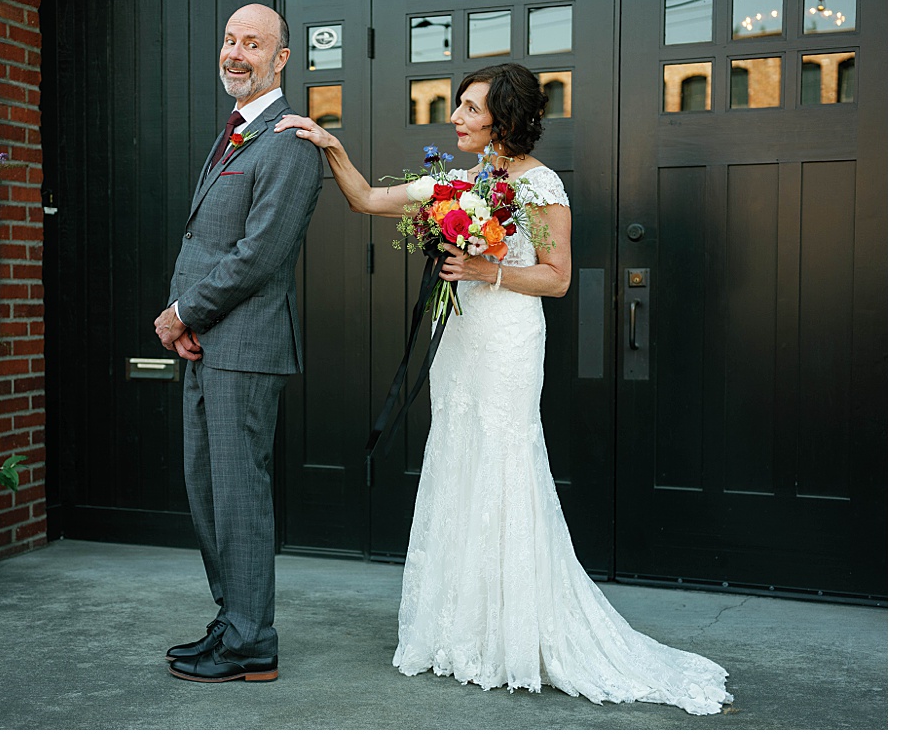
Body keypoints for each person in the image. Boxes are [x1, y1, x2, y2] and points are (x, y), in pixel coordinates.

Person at [274, 62, 733, 715]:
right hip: (459, 343)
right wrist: (334, 149)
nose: (455, 118)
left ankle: (514, 634)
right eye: (457, 107)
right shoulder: (461, 180)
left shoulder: (540, 186)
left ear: (504, 117)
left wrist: (485, 267)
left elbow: (557, 278)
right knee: (460, 460)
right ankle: (461, 630)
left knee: (503, 463)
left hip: (508, 340)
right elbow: (367, 201)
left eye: (468, 108)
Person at [153, 3, 324, 685]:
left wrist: (181, 312)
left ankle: (252, 642)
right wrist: (189, 322)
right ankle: (234, 621)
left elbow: (259, 255)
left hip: (247, 348)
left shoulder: (289, 144)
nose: (236, 53)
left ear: (281, 59)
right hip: (210, 341)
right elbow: (207, 238)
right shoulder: (235, 132)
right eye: (229, 39)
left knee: (239, 495)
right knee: (208, 492)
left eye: (253, 44)